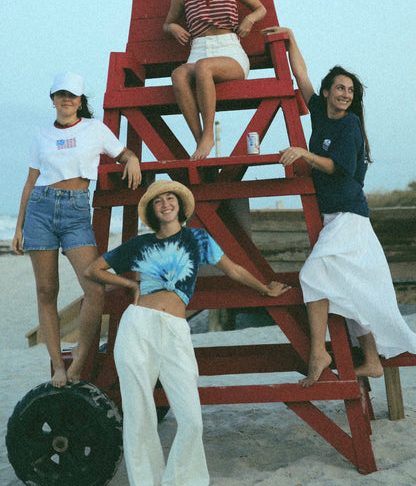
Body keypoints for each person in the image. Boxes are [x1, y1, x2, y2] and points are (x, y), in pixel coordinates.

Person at [85, 179, 291, 486]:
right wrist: (131, 285)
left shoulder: (198, 239)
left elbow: (233, 269)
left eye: (170, 198)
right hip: (138, 326)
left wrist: (264, 288)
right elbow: (93, 269)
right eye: (159, 201)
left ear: (180, 206)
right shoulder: (140, 245)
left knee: (192, 420)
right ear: (153, 211)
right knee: (139, 415)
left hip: (175, 330)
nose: (165, 204)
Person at [262, 26, 416, 388]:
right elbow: (301, 76)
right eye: (340, 88)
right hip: (333, 217)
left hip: (349, 215)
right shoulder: (319, 112)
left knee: (312, 275)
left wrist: (303, 153)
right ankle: (373, 362)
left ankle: (319, 353)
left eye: (351, 90)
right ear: (328, 92)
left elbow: (336, 167)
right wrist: (291, 39)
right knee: (349, 288)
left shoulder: (349, 125)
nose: (346, 94)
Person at [12, 71, 142, 388]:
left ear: (81, 100)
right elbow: (31, 182)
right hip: (40, 210)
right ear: (53, 99)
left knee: (94, 287)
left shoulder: (95, 129)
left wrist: (132, 159)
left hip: (75, 210)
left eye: (72, 95)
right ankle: (58, 365)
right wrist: (18, 227)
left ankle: (79, 361)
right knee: (46, 292)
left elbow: (122, 153)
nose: (66, 100)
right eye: (60, 95)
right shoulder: (42, 135)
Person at [163, 0, 266, 160]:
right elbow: (167, 23)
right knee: (179, 74)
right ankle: (201, 140)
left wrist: (249, 19)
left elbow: (260, 8)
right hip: (198, 50)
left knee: (204, 67)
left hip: (229, 51)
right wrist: (174, 27)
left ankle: (208, 135)